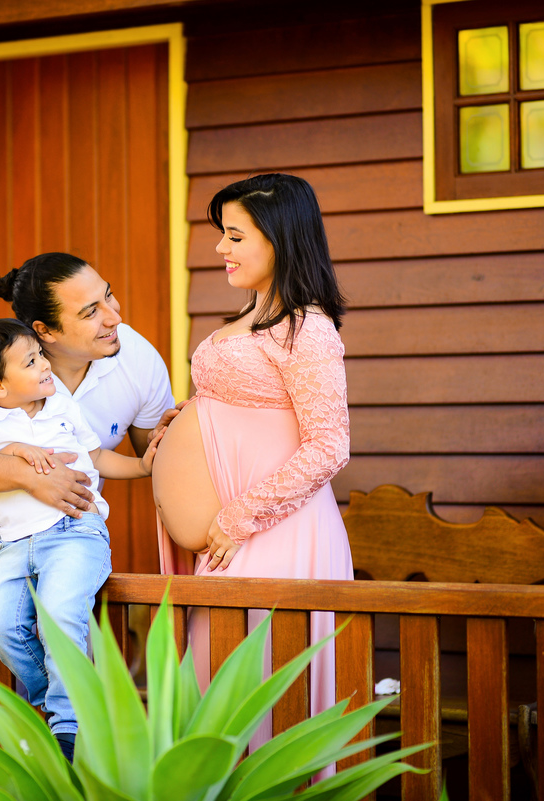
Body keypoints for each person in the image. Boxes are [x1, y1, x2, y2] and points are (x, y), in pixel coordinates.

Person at [0, 252, 175, 776]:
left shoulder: (132, 354)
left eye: (108, 295)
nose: (114, 316)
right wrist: (27, 474)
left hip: (68, 531)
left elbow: (154, 456)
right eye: (91, 311)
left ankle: (67, 749)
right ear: (42, 331)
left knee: (59, 643)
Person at [150, 173, 353, 749]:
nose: (221, 248)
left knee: (252, 685)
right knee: (215, 690)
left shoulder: (306, 327)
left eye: (235, 236)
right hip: (235, 533)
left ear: (279, 239)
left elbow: (329, 444)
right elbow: (254, 406)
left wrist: (237, 519)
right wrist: (192, 416)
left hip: (273, 531)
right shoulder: (254, 313)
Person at [0, 316, 158, 761]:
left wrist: (142, 467)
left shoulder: (60, 404)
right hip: (14, 543)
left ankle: (68, 728)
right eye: (31, 361)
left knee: (60, 615)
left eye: (40, 354)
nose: (45, 365)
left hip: (74, 532)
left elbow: (96, 455)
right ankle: (58, 698)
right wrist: (10, 457)